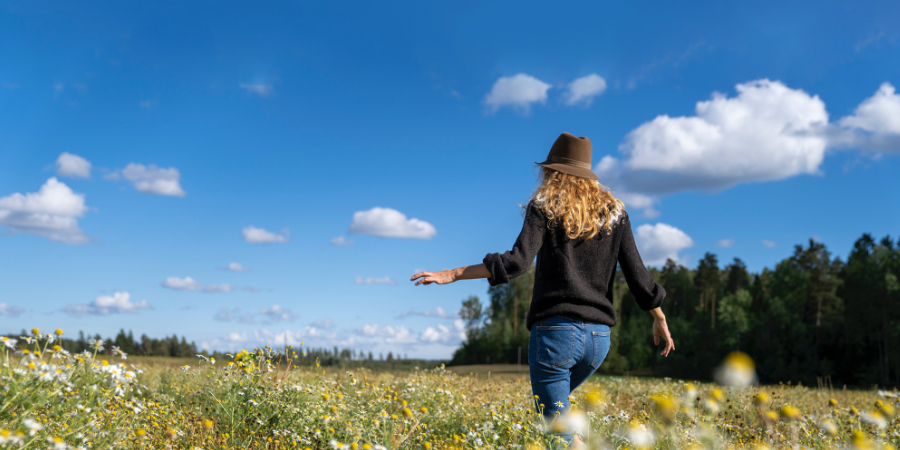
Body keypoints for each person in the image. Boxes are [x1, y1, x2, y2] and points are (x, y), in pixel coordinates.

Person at [410, 132, 675, 448]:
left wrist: (452, 274)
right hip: (598, 342)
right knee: (562, 421)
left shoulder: (545, 204)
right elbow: (637, 274)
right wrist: (658, 315)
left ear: (552, 170)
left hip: (555, 337)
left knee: (557, 431)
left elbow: (517, 262)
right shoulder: (614, 213)